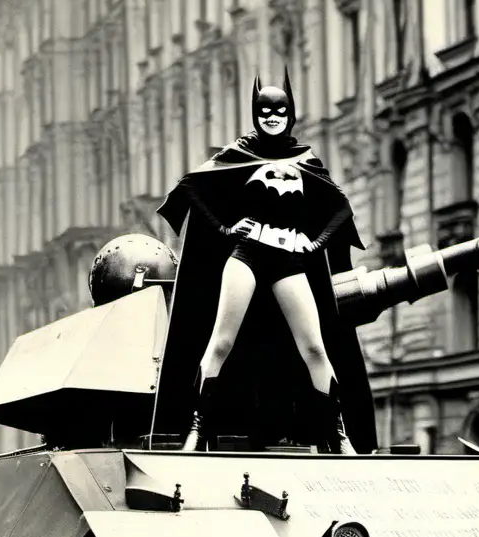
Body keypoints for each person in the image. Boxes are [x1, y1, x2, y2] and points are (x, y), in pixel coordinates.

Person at [155, 71, 375, 454]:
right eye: (264, 110)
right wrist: (225, 230)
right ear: (255, 113)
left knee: (316, 349)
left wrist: (315, 243)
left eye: (279, 110)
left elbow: (340, 208)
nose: (272, 116)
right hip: (247, 255)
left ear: (290, 114)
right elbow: (189, 186)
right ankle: (197, 429)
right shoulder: (239, 154)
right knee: (220, 343)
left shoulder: (305, 159)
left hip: (288, 259)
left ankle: (338, 436)